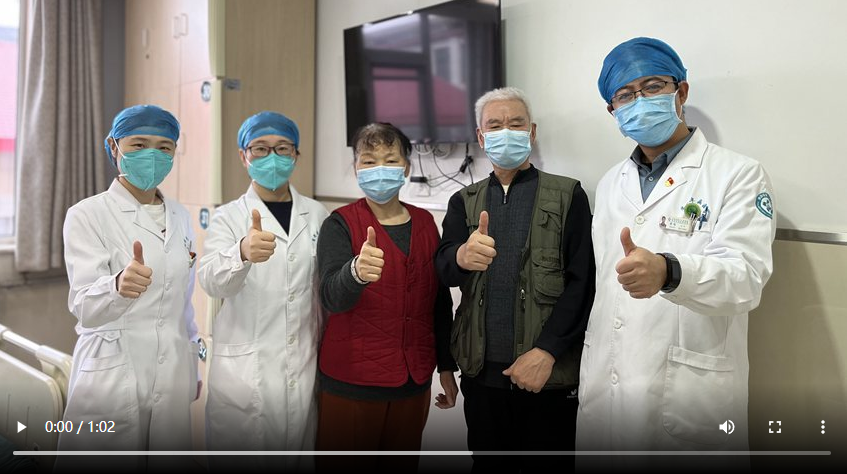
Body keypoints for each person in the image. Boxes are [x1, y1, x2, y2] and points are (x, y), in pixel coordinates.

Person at [576, 37, 776, 457]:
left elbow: (746, 279)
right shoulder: (611, 182)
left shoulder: (738, 174)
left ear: (681, 92)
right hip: (607, 385)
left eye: (652, 87)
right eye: (625, 95)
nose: (639, 101)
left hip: (688, 393)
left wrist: (670, 272)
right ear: (613, 111)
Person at [435, 87, 595, 472]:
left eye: (516, 123)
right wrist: (460, 257)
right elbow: (443, 269)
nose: (505, 131)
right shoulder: (464, 201)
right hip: (481, 377)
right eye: (495, 125)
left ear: (532, 132)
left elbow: (583, 282)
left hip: (548, 376)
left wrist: (547, 351)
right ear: (480, 137)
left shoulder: (568, 195)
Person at [59, 105, 200, 468]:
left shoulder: (181, 216)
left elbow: (182, 302)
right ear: (113, 146)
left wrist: (192, 366)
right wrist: (118, 285)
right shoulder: (87, 214)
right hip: (111, 371)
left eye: (164, 147)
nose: (152, 155)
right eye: (138, 144)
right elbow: (84, 308)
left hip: (171, 372)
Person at [315, 123, 458, 472]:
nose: (380, 169)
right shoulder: (339, 224)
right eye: (369, 161)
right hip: (351, 385)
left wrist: (446, 366)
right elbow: (331, 297)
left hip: (413, 383)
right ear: (356, 169)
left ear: (406, 167)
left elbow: (438, 301)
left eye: (390, 160)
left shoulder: (425, 223)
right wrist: (355, 273)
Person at [197, 111, 328, 469]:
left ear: (296, 155)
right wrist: (241, 252)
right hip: (244, 376)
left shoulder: (318, 215)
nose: (272, 156)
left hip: (302, 368)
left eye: (282, 148)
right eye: (260, 148)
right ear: (244, 156)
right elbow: (210, 280)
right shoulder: (227, 217)